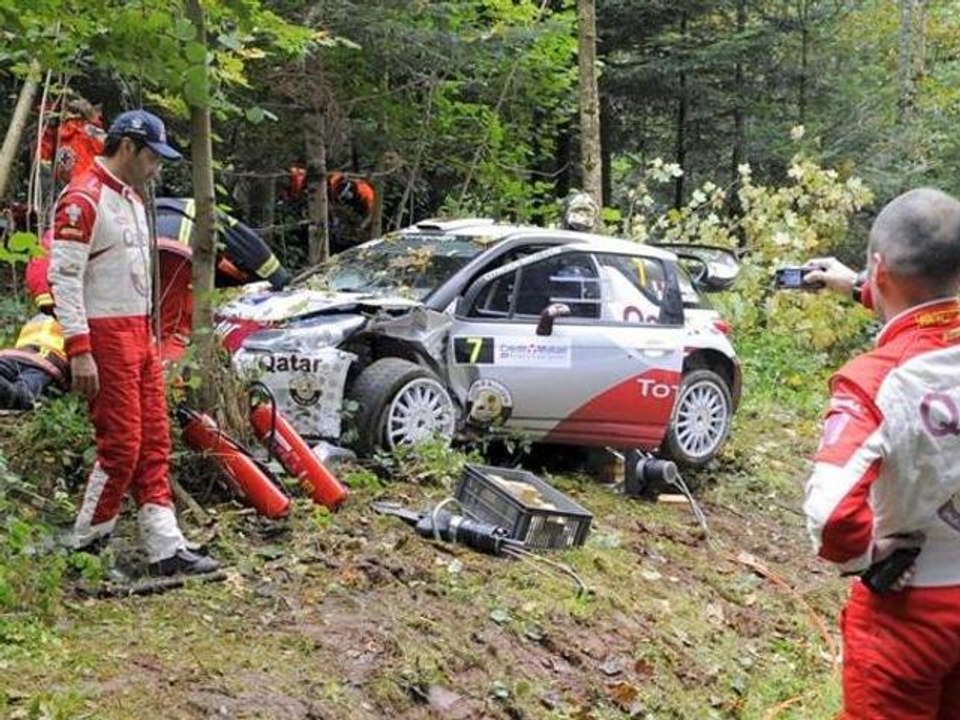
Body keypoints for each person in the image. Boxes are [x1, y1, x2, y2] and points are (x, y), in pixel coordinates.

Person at [803, 188, 960, 718]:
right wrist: (857, 287)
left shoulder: (875, 382)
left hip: (908, 612)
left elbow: (830, 518)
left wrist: (870, 551)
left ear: (880, 267)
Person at [48, 109, 218, 576]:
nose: (156, 167)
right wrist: (80, 348)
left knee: (154, 441)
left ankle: (166, 546)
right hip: (104, 335)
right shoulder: (83, 199)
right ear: (128, 147)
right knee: (121, 444)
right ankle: (87, 545)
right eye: (152, 157)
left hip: (138, 334)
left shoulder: (133, 199)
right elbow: (62, 278)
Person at [0, 313, 68, 410]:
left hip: (14, 354)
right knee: (24, 393)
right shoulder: (82, 324)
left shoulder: (41, 316)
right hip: (45, 363)